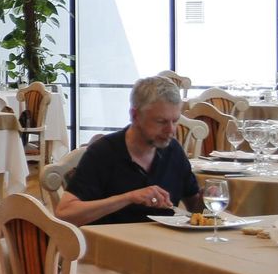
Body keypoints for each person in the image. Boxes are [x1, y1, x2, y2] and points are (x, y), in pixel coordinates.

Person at [55, 75, 202, 226]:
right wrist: (128, 198)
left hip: (165, 245)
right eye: (161, 121)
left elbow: (196, 210)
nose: (170, 130)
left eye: (175, 121)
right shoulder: (104, 153)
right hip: (112, 246)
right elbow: (64, 214)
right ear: (135, 115)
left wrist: (209, 198)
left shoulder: (173, 151)